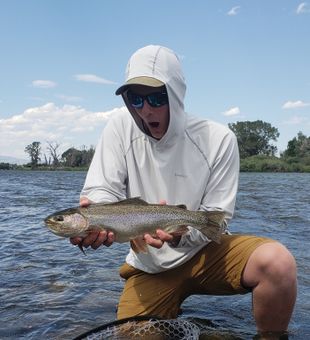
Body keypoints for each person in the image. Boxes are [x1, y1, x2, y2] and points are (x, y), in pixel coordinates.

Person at [70, 45, 297, 336]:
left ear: (175, 95)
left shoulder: (218, 140)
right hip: (149, 266)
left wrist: (181, 233)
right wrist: (96, 218)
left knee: (278, 263)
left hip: (207, 253)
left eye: (156, 97)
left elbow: (218, 220)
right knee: (132, 336)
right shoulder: (118, 128)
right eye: (135, 99)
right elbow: (102, 189)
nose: (146, 109)